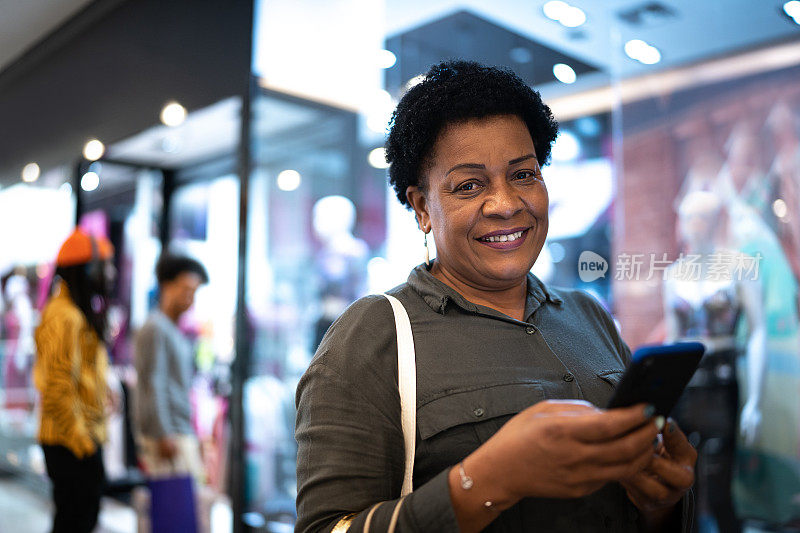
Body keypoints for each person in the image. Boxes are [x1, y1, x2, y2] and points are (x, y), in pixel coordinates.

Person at [295, 61, 697, 533]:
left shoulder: (588, 316)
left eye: (524, 174)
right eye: (469, 185)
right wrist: (488, 480)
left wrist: (663, 503)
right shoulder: (375, 334)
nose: (506, 204)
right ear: (423, 207)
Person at [664, 190, 767, 532]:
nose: (694, 226)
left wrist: (755, 400)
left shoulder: (739, 267)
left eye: (702, 217)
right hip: (685, 386)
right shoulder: (674, 274)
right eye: (688, 217)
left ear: (716, 221)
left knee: (720, 481)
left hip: (722, 383)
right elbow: (672, 339)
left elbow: (757, 332)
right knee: (684, 479)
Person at [33, 229, 115, 533]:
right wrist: (84, 445)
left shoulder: (75, 312)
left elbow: (76, 373)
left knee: (78, 518)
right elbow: (56, 389)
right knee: (74, 521)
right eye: (105, 264)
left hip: (77, 438)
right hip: (68, 441)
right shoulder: (64, 315)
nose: (111, 272)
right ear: (88, 269)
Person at [133, 253, 208, 482]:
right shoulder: (156, 328)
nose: (190, 299)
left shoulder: (172, 329)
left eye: (194, 292)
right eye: (186, 290)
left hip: (179, 431)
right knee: (176, 511)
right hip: (169, 435)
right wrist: (164, 434)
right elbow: (154, 383)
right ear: (167, 286)